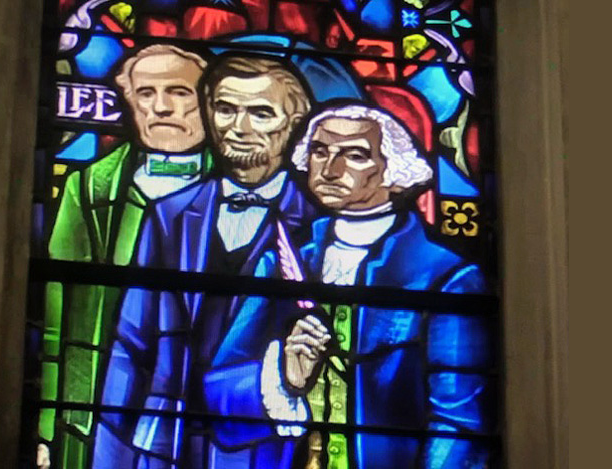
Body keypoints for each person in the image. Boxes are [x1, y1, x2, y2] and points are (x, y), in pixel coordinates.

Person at [205, 103, 493, 468]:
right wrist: (282, 376)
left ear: (396, 172)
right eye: (320, 151)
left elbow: (459, 424)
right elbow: (216, 398)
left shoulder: (443, 277)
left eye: (355, 155)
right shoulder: (284, 260)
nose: (330, 169)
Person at [93, 55, 317, 468]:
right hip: (169, 440)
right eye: (225, 109)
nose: (239, 128)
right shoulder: (170, 215)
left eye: (261, 113)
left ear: (295, 122)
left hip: (267, 447)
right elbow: (131, 345)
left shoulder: (317, 228)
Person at [42, 44, 212, 456]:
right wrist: (48, 425)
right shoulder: (89, 189)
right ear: (129, 101)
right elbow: (56, 307)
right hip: (101, 410)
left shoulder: (246, 195)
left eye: (180, 92)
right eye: (146, 94)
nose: (162, 108)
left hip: (206, 417)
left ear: (209, 102)